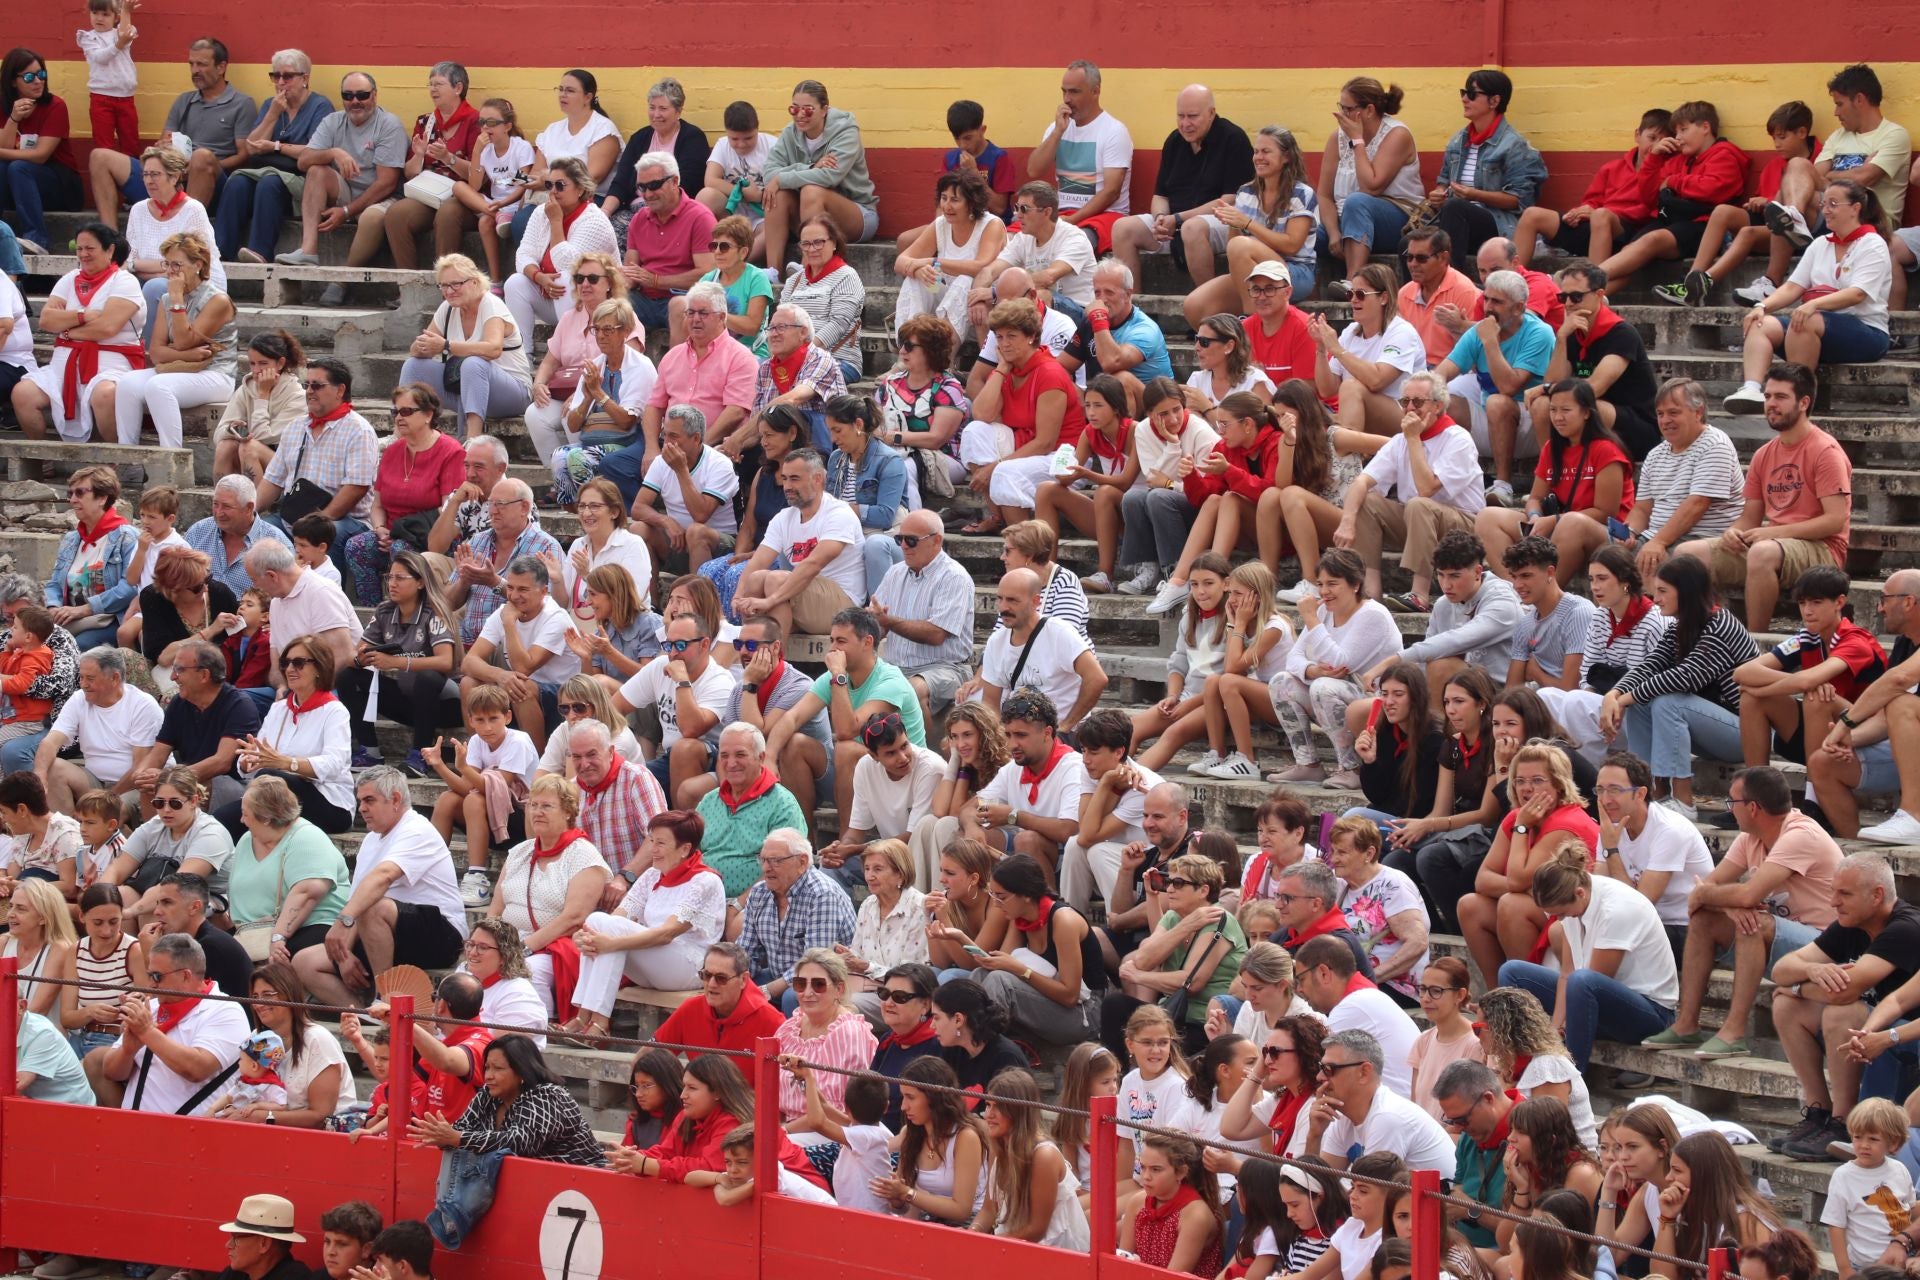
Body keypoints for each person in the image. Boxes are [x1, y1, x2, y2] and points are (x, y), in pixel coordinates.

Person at [1645, 766, 1839, 1060]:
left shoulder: (1801, 834)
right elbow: (1702, 896)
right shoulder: (1750, 837)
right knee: (1705, 920)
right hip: (1785, 939)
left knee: (1753, 924)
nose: (1729, 810)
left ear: (1752, 807)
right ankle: (1686, 1025)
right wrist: (1727, 905)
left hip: (1828, 945)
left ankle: (1734, 1032)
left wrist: (1725, 899)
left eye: (1732, 803)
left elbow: (1742, 894)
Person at [1770, 854, 1920, 1160]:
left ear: (1876, 895)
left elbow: (1845, 992)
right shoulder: (1851, 922)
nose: (1834, 902)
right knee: (1787, 1004)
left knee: (1843, 1010)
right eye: (1834, 891)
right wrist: (1810, 972)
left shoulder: (1905, 928)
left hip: (1907, 1038)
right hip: (1882, 1026)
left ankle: (1843, 1122)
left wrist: (1796, 983)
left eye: (1844, 894)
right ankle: (1819, 1113)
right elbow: (1780, 971)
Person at [1683, 362, 1852, 629]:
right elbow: (1749, 519)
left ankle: (1756, 641)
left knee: (1762, 552)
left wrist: (1771, 534)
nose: (1771, 404)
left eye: (1781, 397)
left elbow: (1834, 521)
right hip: (1774, 545)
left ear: (1803, 402)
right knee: (1688, 553)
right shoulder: (1764, 454)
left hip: (1823, 549)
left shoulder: (1825, 451)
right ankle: (1705, 633)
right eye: (1768, 396)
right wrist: (1733, 532)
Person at [1600, 553, 1760, 816]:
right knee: (1644, 703)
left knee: (1668, 700)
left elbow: (1686, 676)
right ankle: (1650, 789)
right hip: (1711, 729)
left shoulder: (1721, 624)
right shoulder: (1679, 627)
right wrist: (1613, 693)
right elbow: (1650, 665)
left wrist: (1622, 700)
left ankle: (1683, 801)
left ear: (1686, 592)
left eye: (1663, 591)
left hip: (1748, 732)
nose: (1656, 599)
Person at [294, 767, 468, 1007]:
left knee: (374, 907)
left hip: (442, 933)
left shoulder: (417, 829)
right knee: (304, 962)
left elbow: (383, 877)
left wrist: (343, 921)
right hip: (384, 930)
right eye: (360, 801)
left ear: (395, 799)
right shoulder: (371, 839)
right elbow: (358, 898)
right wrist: (343, 955)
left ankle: (384, 999)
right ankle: (366, 1015)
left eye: (369, 800)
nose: (362, 808)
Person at [1496, 845, 1679, 1070]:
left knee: (1583, 981)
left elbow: (1590, 983)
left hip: (1651, 1014)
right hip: (1592, 997)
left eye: (1561, 913)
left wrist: (1562, 1034)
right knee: (1512, 972)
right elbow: (1567, 974)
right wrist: (1554, 1029)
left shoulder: (1617, 909)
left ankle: (1570, 1077)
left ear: (1579, 894)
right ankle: (1520, 1063)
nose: (1558, 919)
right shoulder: (1577, 895)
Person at [1727, 180, 1893, 411]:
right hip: (1817, 325)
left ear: (1856, 208)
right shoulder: (1820, 244)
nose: (1825, 210)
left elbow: (1857, 294)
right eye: (1824, 203)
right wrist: (1761, 306)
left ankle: (1795, 396)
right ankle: (1752, 389)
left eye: (1833, 204)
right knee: (1760, 324)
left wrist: (1813, 305)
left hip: (1866, 331)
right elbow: (1793, 286)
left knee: (1805, 319)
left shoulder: (1872, 243)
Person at [1332, 371, 1487, 610]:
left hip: (1464, 526)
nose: (1410, 408)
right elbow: (1362, 481)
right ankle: (1371, 594)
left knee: (1418, 503)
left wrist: (1414, 439)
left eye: (1418, 402)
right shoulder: (1399, 440)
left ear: (1437, 405)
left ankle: (1419, 594)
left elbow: (1426, 489)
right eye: (1405, 402)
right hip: (1419, 522)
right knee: (1366, 500)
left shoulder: (1458, 438)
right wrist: (1347, 520)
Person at [1457, 742, 1599, 987]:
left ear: (1558, 783)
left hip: (1576, 914)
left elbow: (1515, 880)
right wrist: (1526, 888)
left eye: (1537, 780)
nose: (1526, 789)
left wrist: (1521, 828)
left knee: (1512, 904)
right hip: (1545, 905)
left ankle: (1525, 997)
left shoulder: (1565, 822)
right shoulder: (1519, 816)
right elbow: (1483, 879)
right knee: (1470, 906)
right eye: (1520, 781)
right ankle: (1497, 995)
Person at [1269, 549, 1401, 787]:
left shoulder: (1373, 615)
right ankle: (1307, 764)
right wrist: (1313, 670)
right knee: (1281, 681)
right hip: (1341, 691)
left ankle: (1352, 768)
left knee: (1323, 687)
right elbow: (1293, 659)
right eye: (1320, 584)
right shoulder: (1322, 612)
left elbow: (1341, 662)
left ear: (1355, 585)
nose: (1324, 591)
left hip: (1378, 699)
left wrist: (1310, 619)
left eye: (1332, 584)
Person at [1736, 565, 1885, 772]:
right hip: (1821, 727)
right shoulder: (1807, 638)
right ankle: (1756, 787)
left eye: (1816, 602)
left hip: (1864, 733)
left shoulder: (1856, 641)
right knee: (1751, 699)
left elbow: (1806, 681)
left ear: (1839, 602)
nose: (1807, 610)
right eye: (1802, 602)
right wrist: (1803, 684)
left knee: (1817, 695)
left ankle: (1813, 795)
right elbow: (1743, 672)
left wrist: (1763, 689)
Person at [485, 774, 610, 1020]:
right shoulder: (520, 851)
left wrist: (523, 948)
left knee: (526, 973)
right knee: (466, 973)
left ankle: (534, 1034)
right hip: (507, 944)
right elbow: (495, 909)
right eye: (533, 805)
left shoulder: (584, 856)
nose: (537, 812)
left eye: (547, 806)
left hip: (550, 949)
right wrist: (489, 944)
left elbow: (574, 918)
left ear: (567, 812)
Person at [1110, 86, 1254, 292]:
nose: (1185, 124)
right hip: (1175, 223)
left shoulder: (1233, 138)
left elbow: (1230, 200)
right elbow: (1160, 195)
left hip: (1222, 223)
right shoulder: (1174, 141)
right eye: (1181, 116)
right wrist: (1160, 218)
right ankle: (1133, 311)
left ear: (1211, 113)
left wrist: (1178, 219)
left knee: (1192, 228)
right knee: (1122, 228)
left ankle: (1209, 307)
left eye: (1193, 116)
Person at [86, 931, 248, 1114]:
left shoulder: (225, 1010)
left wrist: (146, 1031)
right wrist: (128, 1050)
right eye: (149, 975)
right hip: (138, 1130)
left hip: (194, 1134)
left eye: (157, 976)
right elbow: (111, 1072)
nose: (150, 984)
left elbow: (197, 1069)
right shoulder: (151, 1007)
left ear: (186, 976)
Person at [269, 72, 406, 286]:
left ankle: (342, 281)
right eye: (348, 95)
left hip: (382, 197)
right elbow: (303, 161)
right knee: (316, 171)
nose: (355, 102)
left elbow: (386, 183)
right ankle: (308, 250)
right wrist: (334, 153)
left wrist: (346, 211)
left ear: (375, 95)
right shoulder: (333, 121)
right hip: (347, 191)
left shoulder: (389, 124)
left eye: (362, 95)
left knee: (371, 217)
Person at [13, 222, 144, 446]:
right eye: (79, 249)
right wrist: (83, 316)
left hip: (111, 365)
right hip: (62, 367)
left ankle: (120, 460)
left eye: (90, 248)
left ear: (110, 250)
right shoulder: (70, 277)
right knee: (23, 393)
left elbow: (107, 328)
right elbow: (46, 320)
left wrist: (66, 331)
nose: (83, 254)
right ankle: (42, 460)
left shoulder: (124, 281)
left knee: (104, 394)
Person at [220, 632, 356, 836]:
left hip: (328, 803)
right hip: (273, 795)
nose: (290, 669)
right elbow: (260, 757)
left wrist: (286, 763)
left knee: (272, 778)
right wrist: (248, 761)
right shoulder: (278, 709)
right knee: (219, 822)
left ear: (319, 667)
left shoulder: (334, 711)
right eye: (286, 663)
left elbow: (334, 764)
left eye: (299, 663)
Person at [112, 231, 238, 449]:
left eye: (177, 265)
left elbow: (182, 341)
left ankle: (172, 457)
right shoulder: (166, 298)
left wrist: (178, 300)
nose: (170, 271)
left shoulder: (218, 300)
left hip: (216, 373)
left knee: (158, 386)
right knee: (127, 383)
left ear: (198, 264)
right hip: (179, 369)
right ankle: (128, 462)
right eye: (167, 264)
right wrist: (186, 355)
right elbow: (157, 351)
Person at [409, 1034, 605, 1171]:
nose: (488, 1076)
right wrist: (442, 1136)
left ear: (521, 1071)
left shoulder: (549, 1095)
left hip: (584, 1183)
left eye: (498, 1069)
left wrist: (458, 1138)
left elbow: (518, 1142)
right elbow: (461, 1129)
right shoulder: (488, 1093)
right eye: (486, 1068)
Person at [211, 48, 333, 265]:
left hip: (298, 177)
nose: (280, 82)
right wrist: (273, 115)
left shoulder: (320, 106)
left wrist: (275, 146)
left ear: (305, 78)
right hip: (263, 169)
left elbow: (313, 152)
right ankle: (220, 252)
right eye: (275, 76)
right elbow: (251, 147)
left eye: (287, 76)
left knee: (270, 183)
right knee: (237, 182)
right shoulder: (271, 105)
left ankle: (260, 251)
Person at [399, 253, 532, 442]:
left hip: (512, 393)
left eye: (456, 284)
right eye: (444, 286)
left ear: (475, 282)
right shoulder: (447, 308)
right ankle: (401, 435)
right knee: (413, 365)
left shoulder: (492, 305)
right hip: (467, 390)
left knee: (473, 364)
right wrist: (423, 347)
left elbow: (493, 349)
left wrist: (446, 345)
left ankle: (472, 440)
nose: (449, 291)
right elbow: (417, 348)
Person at [1592, 752, 1712, 960]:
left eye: (1614, 790)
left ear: (1640, 794)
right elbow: (1600, 889)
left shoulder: (1670, 829)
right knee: (1564, 930)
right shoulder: (1611, 824)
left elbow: (1640, 904)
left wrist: (1611, 850)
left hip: (1683, 925)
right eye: (1600, 790)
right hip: (1643, 921)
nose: (1604, 799)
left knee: (1613, 939)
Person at [1516, 109, 1671, 270]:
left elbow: (1651, 209)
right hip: (1596, 228)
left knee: (1601, 215)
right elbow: (1592, 201)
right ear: (1637, 135)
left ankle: (1593, 286)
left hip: (1627, 234)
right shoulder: (1612, 168)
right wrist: (1580, 213)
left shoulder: (1667, 171)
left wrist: (1600, 212)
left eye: (1662, 141)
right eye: (1651, 138)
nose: (1655, 146)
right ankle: (1508, 282)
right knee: (1532, 215)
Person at [867, 511, 975, 727]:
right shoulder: (895, 573)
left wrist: (888, 622)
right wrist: (874, 622)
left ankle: (922, 754)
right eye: (900, 539)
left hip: (946, 668)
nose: (903, 546)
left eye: (911, 540)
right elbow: (879, 627)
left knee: (912, 689)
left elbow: (936, 634)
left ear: (937, 541)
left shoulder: (954, 576)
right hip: (896, 665)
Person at [226, 775, 350, 962]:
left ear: (266, 818)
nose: (242, 820)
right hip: (252, 934)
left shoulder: (307, 837)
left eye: (245, 813)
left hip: (307, 928)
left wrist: (278, 937)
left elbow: (308, 891)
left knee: (279, 963)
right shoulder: (246, 840)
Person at [503, 155, 618, 356]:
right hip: (553, 296)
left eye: (560, 185)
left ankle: (569, 354)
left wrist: (556, 222)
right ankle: (522, 355)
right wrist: (539, 277)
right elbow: (524, 254)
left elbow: (568, 264)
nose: (553, 191)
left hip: (596, 305)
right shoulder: (541, 212)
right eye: (549, 185)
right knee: (515, 282)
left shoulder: (595, 221)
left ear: (580, 189)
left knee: (568, 278)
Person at [1304, 1026, 1454, 1175]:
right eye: (1321, 1067)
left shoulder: (1388, 1117)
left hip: (1442, 1198)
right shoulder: (1346, 1117)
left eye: (1329, 1069)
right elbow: (1318, 1186)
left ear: (1364, 1072)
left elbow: (1370, 1195)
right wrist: (1315, 1135)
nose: (1319, 1077)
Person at [1315, 77, 1425, 280]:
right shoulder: (1336, 137)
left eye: (1348, 109)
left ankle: (1353, 281)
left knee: (1356, 201)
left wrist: (1357, 140)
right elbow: (1324, 194)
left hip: (1397, 219)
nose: (1342, 115)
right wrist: (1332, 233)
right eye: (1341, 107)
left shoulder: (1397, 134)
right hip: (1345, 220)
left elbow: (1371, 187)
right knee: (1306, 233)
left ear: (1369, 110)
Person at [760, 79, 878, 267]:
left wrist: (783, 177)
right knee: (776, 194)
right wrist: (810, 168)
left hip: (857, 215)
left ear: (824, 110)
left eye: (807, 109)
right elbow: (769, 175)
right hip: (807, 212)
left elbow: (830, 176)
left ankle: (808, 268)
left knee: (811, 190)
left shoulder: (846, 131)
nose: (800, 115)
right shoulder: (789, 133)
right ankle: (773, 272)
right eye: (794, 109)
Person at [1429, 70, 1547, 258]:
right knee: (1408, 245)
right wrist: (1438, 194)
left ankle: (1453, 284)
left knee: (1455, 208)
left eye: (1472, 94)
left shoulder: (1515, 145)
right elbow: (1443, 181)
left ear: (1494, 101)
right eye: (1463, 93)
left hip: (1498, 225)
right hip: (1458, 223)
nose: (1465, 99)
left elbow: (1520, 200)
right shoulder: (1457, 141)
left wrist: (1474, 195)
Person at [32, 646, 160, 814]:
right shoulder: (79, 699)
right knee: (52, 767)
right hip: (95, 778)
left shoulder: (142, 705)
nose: (83, 684)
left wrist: (107, 798)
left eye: (90, 678)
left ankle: (114, 834)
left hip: (134, 786)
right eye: (82, 677)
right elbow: (50, 742)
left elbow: (140, 767)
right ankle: (68, 833)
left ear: (115, 678)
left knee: (104, 814)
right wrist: (39, 776)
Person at [1026, 60, 1133, 256]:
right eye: (1064, 91)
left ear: (1095, 91)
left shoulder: (1114, 131)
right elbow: (1033, 170)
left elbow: (1111, 192)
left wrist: (1072, 220)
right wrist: (1058, 132)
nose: (1067, 99)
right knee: (1014, 238)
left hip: (1103, 216)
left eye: (1074, 92)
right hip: (1061, 213)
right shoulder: (1057, 128)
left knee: (1074, 242)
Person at [822, 715, 942, 890]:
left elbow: (912, 838)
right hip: (885, 856)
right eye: (891, 753)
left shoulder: (930, 768)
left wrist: (855, 849)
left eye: (904, 746)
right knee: (830, 870)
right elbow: (855, 831)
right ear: (873, 755)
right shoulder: (865, 767)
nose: (902, 757)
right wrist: (840, 850)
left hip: (921, 858)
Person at [738, 829, 856, 1002]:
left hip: (825, 980)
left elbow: (815, 963)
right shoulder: (759, 893)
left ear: (802, 862)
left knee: (792, 996)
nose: (765, 868)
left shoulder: (822, 895)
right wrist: (729, 976)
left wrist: (767, 991)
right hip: (780, 973)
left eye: (775, 861)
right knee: (736, 984)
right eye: (763, 860)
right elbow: (747, 950)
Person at [1648, 1132, 1781, 1277]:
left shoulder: (1747, 1221)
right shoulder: (1691, 1213)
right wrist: (1667, 1218)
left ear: (1704, 1176)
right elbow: (1661, 1276)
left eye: (1677, 1170)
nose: (1668, 1178)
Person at [617, 151, 716, 342]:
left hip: (684, 297)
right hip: (644, 299)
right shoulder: (639, 218)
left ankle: (676, 370)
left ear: (674, 181)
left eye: (654, 185)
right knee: (609, 303)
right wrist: (613, 281)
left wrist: (657, 281)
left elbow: (707, 273)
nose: (647, 194)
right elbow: (631, 270)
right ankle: (617, 368)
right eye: (642, 187)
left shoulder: (699, 217)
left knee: (680, 306)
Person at [822, 394, 912, 596]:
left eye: (838, 430)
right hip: (848, 533)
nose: (833, 439)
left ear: (858, 425)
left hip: (885, 537)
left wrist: (842, 510)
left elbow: (885, 515)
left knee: (874, 545)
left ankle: (877, 613)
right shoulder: (836, 458)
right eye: (830, 431)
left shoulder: (890, 460)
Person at [895, 171, 1006, 334]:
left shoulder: (991, 224)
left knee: (964, 281)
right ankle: (910, 344)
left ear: (972, 203)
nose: (946, 206)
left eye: (955, 200)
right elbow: (900, 261)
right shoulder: (941, 224)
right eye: (944, 198)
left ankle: (946, 353)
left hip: (983, 301)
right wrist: (918, 270)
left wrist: (933, 262)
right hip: (944, 290)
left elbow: (980, 267)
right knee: (917, 280)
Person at [603, 77, 711, 244]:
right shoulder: (640, 138)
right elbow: (621, 182)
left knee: (631, 230)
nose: (656, 114)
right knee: (606, 230)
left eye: (663, 108)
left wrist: (654, 207)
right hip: (635, 210)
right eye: (652, 108)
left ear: (678, 111)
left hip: (672, 210)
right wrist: (604, 212)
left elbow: (688, 184)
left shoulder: (692, 138)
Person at [244, 962, 353, 1127]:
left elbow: (321, 1115)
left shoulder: (318, 1039)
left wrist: (264, 1117)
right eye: (255, 997)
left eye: (267, 995)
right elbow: (243, 1088)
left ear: (289, 995)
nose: (259, 1004)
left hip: (324, 1142)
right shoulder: (256, 1037)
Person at [772, 948, 877, 1121]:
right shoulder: (788, 1029)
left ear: (839, 989)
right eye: (800, 984)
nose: (807, 992)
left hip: (830, 1132)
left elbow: (844, 1115)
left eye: (818, 984)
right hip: (787, 1127)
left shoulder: (850, 1033)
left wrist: (783, 1133)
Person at [0, 48, 85, 255]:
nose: (38, 81)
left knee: (19, 167)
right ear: (13, 81)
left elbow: (40, 155)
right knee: (4, 168)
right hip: (18, 186)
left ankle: (37, 238)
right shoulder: (3, 106)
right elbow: (5, 145)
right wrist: (14, 118)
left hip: (60, 185)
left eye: (42, 75)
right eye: (29, 77)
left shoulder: (55, 106)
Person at [1820, 1098, 1917, 1271]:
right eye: (1857, 1137)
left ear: (1893, 1142)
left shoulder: (1899, 1169)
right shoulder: (1843, 1176)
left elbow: (1909, 1211)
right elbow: (1836, 1225)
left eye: (1873, 1139)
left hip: (1901, 1261)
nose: (1864, 1145)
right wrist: (1844, 1268)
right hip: (1865, 1266)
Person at [652, 941, 787, 1057]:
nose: (711, 984)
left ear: (743, 980)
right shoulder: (690, 1009)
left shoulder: (772, 1022)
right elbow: (650, 1057)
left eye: (721, 978)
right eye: (706, 975)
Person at [1118, 1132, 1225, 1276]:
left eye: (1156, 1169)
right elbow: (1123, 1262)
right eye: (1143, 1167)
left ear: (1181, 1172)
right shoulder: (1137, 1202)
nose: (1146, 1176)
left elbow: (1172, 1276)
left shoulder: (1195, 1215)